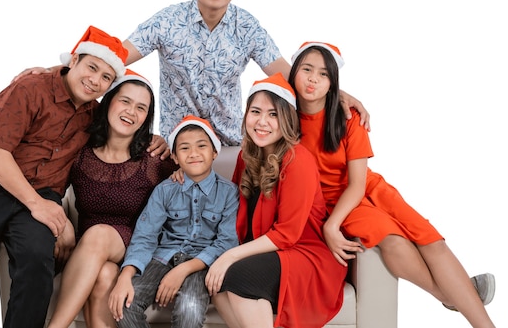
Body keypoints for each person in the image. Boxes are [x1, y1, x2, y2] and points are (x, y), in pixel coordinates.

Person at [16, 0, 370, 145]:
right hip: (174, 143)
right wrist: (59, 69)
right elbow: (115, 54)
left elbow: (287, 73)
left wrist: (338, 91)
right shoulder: (168, 20)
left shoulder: (247, 25)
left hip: (232, 143)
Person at [288, 42, 496, 328]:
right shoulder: (282, 113)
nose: (313, 79)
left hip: (363, 189)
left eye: (323, 74)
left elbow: (358, 183)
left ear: (333, 83)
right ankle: (453, 296)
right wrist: (330, 222)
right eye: (306, 70)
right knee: (394, 242)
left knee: (431, 240)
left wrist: (331, 226)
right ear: (293, 71)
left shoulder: (349, 116)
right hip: (331, 202)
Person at [0, 25, 131, 328]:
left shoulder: (93, 114)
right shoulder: (30, 89)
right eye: (91, 67)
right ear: (74, 60)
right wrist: (39, 206)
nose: (96, 80)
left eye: (106, 77)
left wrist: (158, 141)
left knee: (38, 264)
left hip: (43, 196)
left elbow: (128, 116)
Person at [205, 74, 347, 328]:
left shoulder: (297, 159)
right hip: (270, 250)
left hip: (304, 253)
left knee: (237, 276)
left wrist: (229, 257)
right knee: (215, 282)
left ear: (287, 121)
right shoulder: (245, 157)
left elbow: (288, 234)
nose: (262, 122)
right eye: (256, 112)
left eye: (273, 115)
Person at [46, 69, 179, 328]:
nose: (131, 112)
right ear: (108, 102)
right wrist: (60, 221)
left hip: (137, 243)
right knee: (105, 274)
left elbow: (191, 181)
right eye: (125, 101)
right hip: (91, 250)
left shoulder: (154, 157)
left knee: (98, 234)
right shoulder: (80, 152)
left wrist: (175, 151)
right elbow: (49, 187)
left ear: (146, 118)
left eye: (141, 108)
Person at [108, 115, 240, 328]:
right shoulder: (164, 190)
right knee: (125, 304)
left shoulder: (229, 193)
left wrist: (183, 270)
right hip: (162, 257)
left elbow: (226, 242)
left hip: (201, 262)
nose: (194, 153)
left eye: (201, 146)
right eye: (185, 148)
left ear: (215, 152)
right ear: (176, 158)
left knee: (189, 309)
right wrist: (126, 275)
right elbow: (145, 236)